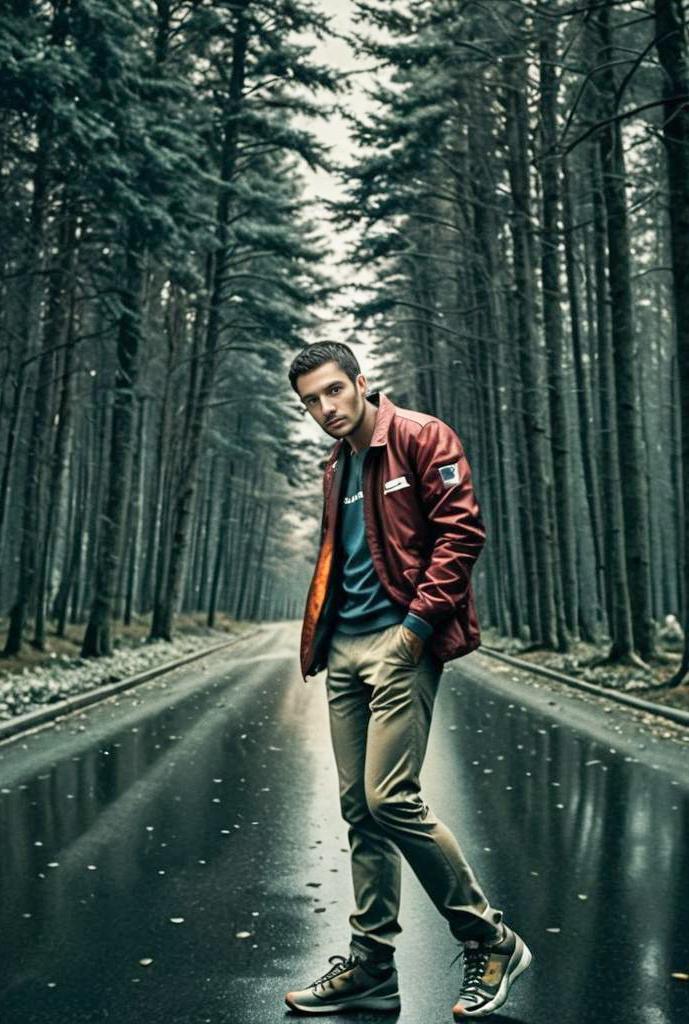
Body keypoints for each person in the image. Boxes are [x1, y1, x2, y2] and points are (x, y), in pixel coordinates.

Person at [284, 341, 531, 1019]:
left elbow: (462, 534)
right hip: (344, 649)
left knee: (390, 798)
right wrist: (327, 641)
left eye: (334, 391)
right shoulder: (335, 466)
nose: (324, 408)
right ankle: (372, 965)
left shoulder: (422, 436)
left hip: (402, 642)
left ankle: (490, 938)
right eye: (310, 400)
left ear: (362, 383)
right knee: (358, 811)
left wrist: (414, 633)